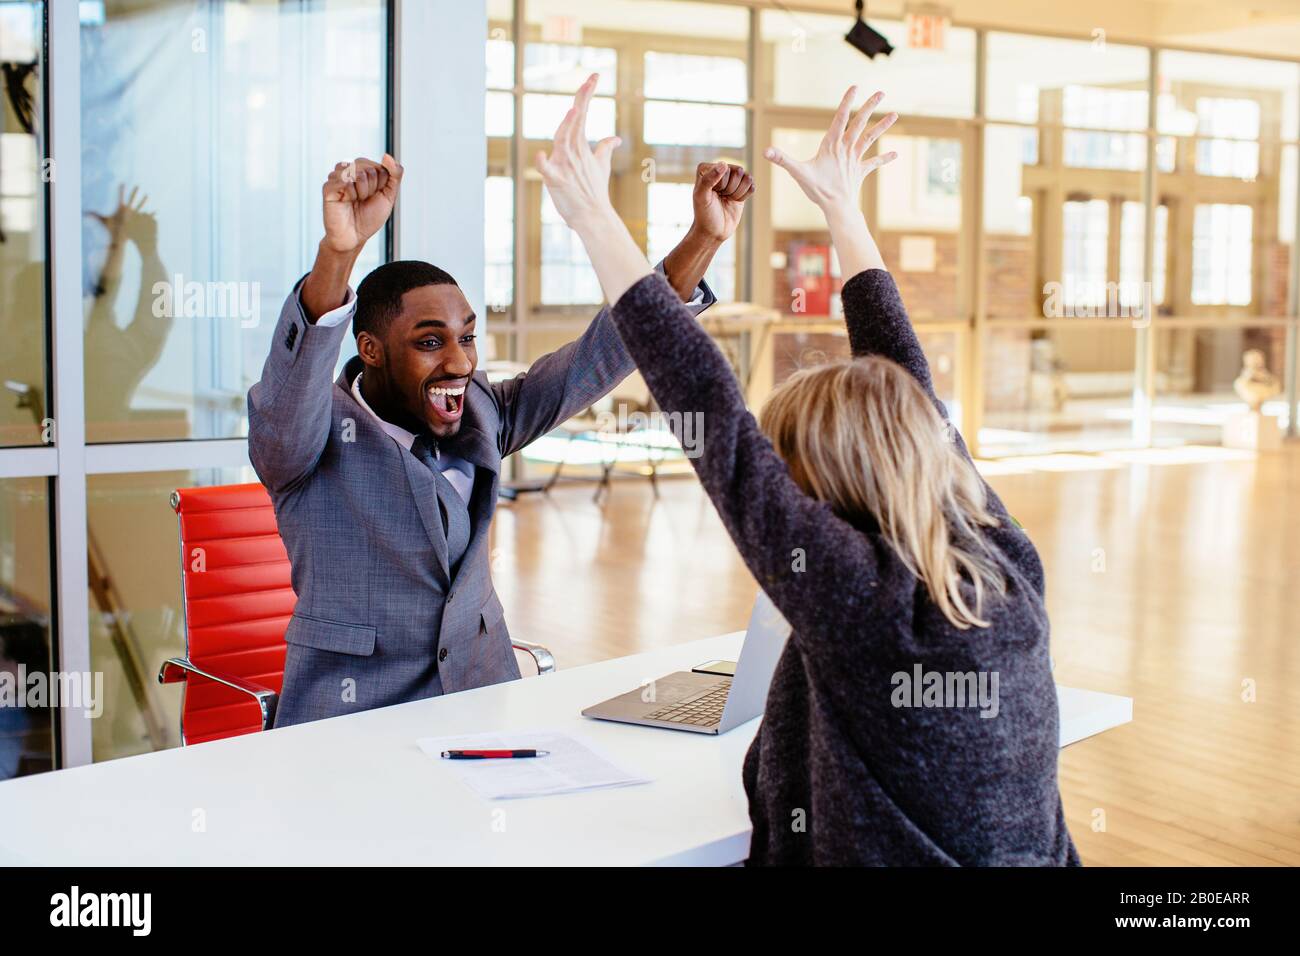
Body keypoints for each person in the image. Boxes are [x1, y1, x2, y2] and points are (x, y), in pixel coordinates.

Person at [535, 83, 1077, 866]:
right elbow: (906, 392)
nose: (783, 489)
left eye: (789, 472)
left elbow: (710, 409)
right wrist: (843, 211)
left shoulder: (863, 600)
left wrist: (593, 218)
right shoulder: (999, 557)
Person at [248, 74, 753, 728]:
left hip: (491, 707)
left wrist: (704, 240)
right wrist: (338, 255)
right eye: (429, 342)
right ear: (368, 349)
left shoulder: (481, 412)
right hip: (352, 726)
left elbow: (597, 357)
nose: (458, 362)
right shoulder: (307, 441)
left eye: (466, 338)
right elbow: (290, 395)